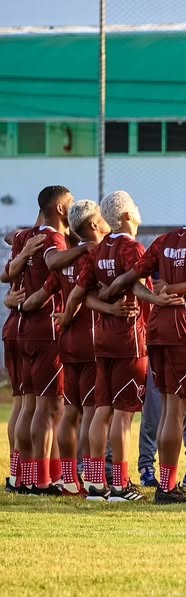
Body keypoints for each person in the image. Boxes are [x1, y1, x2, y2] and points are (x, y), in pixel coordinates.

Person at [101, 203, 186, 504]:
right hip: (183, 331)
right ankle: (168, 486)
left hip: (157, 329)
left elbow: (129, 276)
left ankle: (158, 482)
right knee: (177, 411)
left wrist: (108, 295)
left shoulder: (164, 240)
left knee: (165, 407)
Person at [61, 192, 162, 501]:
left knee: (101, 411)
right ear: (128, 216)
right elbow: (135, 286)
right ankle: (119, 484)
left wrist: (96, 307)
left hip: (102, 340)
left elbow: (80, 293)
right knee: (123, 415)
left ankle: (93, 482)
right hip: (128, 340)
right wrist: (158, 298)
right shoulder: (131, 247)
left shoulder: (100, 249)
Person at [13, 186, 87, 494]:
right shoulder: (52, 239)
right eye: (70, 204)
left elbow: (9, 269)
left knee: (28, 406)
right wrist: (85, 248)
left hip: (24, 328)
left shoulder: (25, 236)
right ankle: (42, 479)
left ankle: (22, 476)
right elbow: (55, 261)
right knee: (50, 408)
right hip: (47, 329)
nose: (72, 209)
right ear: (60, 209)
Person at [2, 229, 47, 491]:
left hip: (15, 329)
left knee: (23, 404)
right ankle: (36, 476)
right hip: (31, 330)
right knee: (37, 407)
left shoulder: (23, 243)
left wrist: (19, 241)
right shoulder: (48, 246)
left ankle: (17, 474)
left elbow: (5, 272)